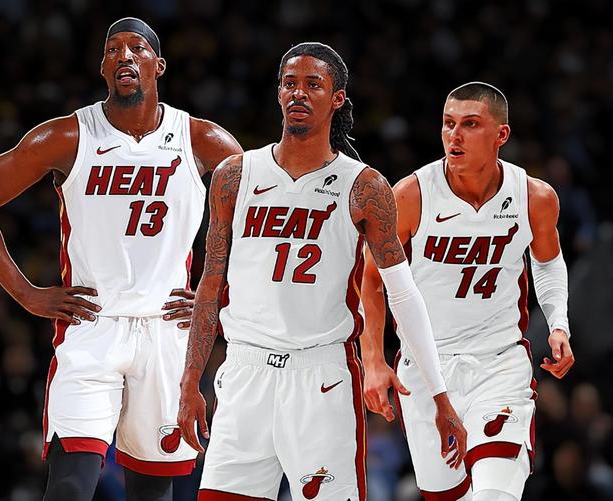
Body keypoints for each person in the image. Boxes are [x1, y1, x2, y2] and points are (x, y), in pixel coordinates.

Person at [0, 17, 242, 501]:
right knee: (69, 487)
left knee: (152, 493)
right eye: (113, 49)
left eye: (136, 48)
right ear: (104, 68)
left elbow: (263, 217)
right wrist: (25, 293)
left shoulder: (202, 139)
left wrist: (221, 297)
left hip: (166, 331)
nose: (124, 55)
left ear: (158, 65)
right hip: (91, 326)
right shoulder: (68, 135)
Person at [177, 42, 467, 501]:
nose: (299, 93)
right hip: (245, 371)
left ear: (337, 98)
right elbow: (210, 284)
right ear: (278, 93)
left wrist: (439, 394)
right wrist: (189, 382)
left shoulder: (364, 186)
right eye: (290, 83)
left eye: (313, 84)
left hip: (321, 376)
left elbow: (403, 294)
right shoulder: (235, 174)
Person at [360, 82, 576, 501]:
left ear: (501, 134)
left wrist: (558, 323)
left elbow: (548, 261)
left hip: (499, 364)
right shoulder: (410, 195)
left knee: (495, 493)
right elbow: (370, 276)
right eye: (448, 124)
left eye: (470, 124)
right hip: (426, 371)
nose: (454, 135)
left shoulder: (534, 197)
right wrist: (373, 359)